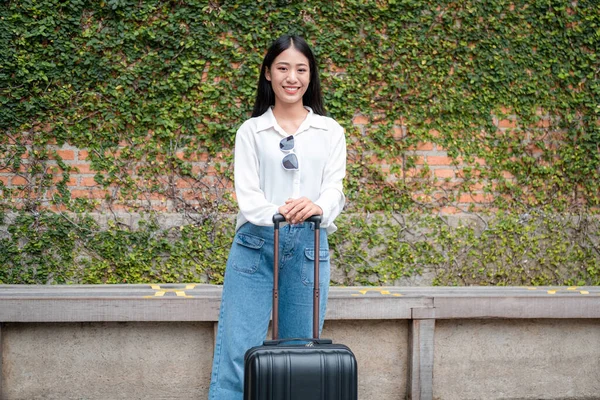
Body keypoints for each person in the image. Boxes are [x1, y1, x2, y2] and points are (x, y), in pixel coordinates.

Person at [208, 34, 347, 400]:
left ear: (310, 76)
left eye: (301, 69)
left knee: (300, 355)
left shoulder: (330, 131)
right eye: (283, 68)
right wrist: (279, 212)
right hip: (255, 246)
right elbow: (247, 194)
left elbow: (335, 188)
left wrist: (317, 207)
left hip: (309, 249)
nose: (292, 77)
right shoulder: (251, 131)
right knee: (236, 355)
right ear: (268, 73)